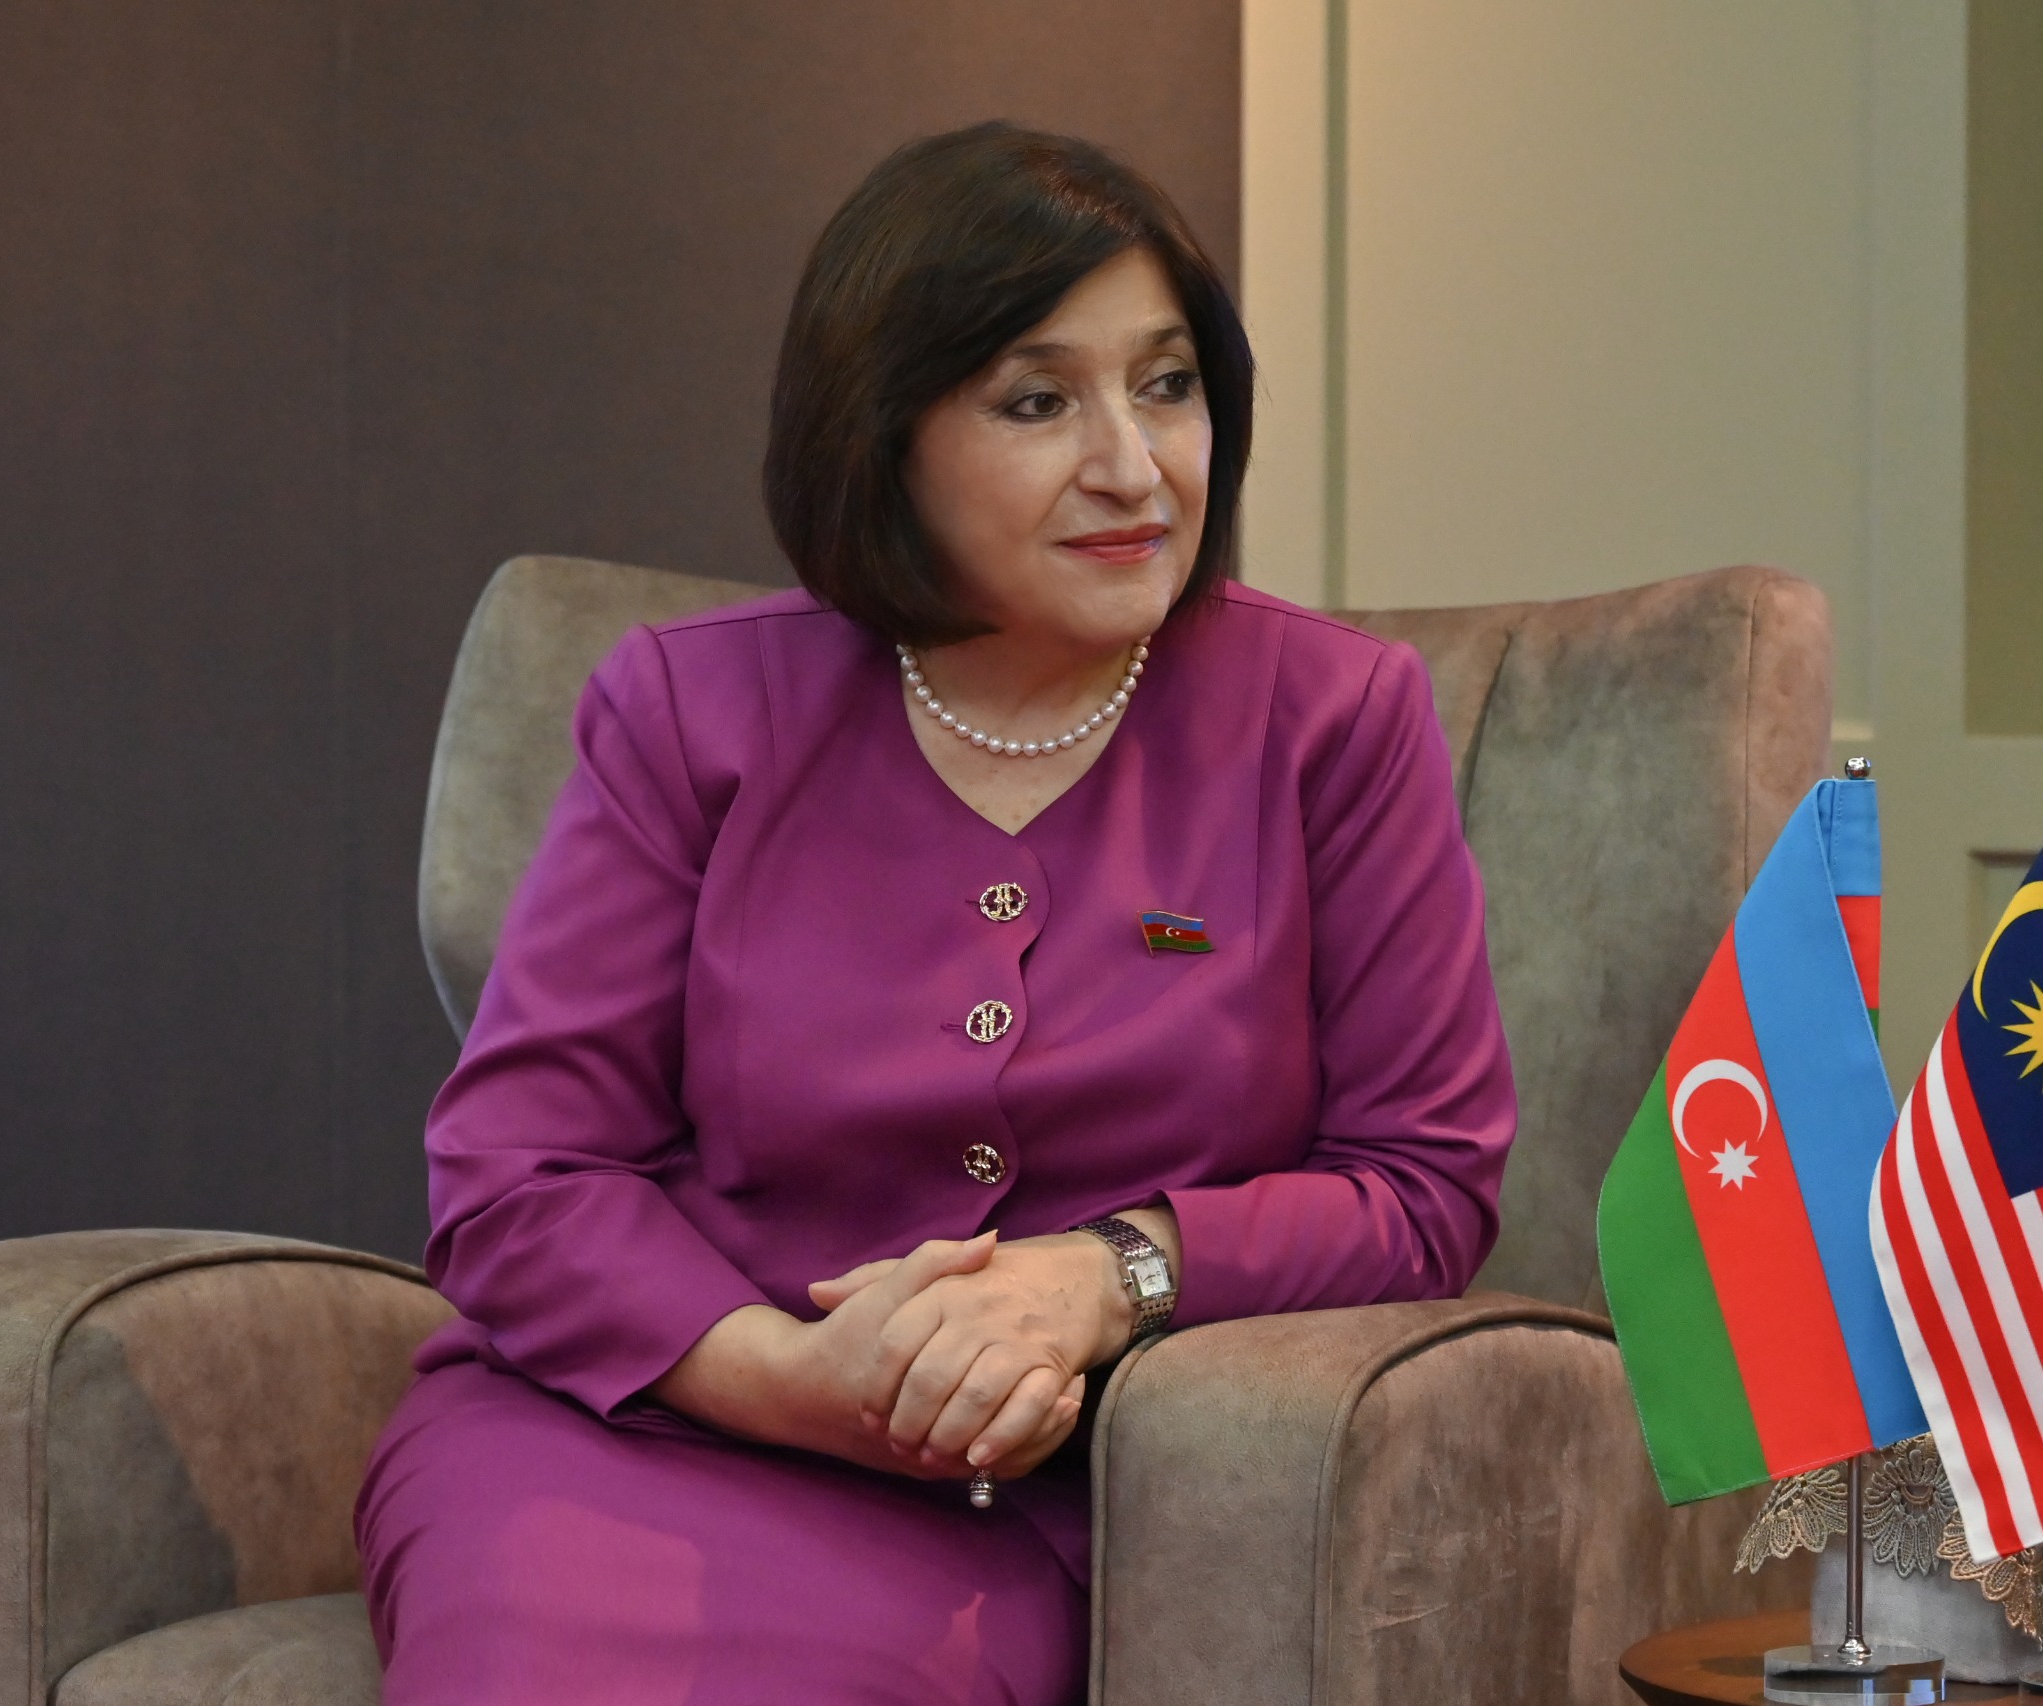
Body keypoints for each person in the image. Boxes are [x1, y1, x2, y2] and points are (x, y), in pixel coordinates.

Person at [356, 122, 1515, 1705]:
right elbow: (518, 1174)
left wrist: (1104, 1275)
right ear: (884, 433)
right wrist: (796, 1376)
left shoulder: (1332, 718)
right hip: (634, 1431)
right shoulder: (692, 711)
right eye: (1039, 401)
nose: (1133, 466)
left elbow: (1423, 1182)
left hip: (1024, 1502)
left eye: (1166, 385)